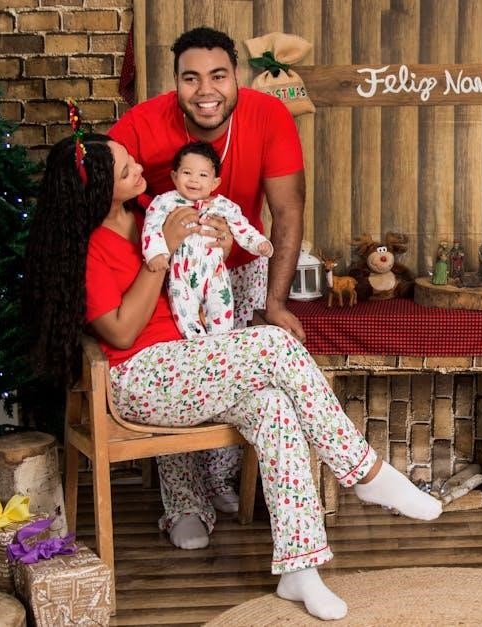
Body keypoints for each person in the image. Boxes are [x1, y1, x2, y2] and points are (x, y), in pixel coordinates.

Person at [24, 134, 443, 621]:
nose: (138, 168)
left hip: (191, 361)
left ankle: (300, 568)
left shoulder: (151, 212)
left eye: (131, 160)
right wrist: (162, 255)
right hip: (141, 379)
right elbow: (120, 331)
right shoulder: (90, 247)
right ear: (97, 190)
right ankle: (365, 472)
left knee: (275, 408)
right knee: (274, 343)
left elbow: (196, 275)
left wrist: (215, 248)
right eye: (125, 170)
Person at [108, 26, 307, 546]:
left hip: (242, 269)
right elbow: (95, 181)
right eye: (190, 78)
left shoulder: (269, 115)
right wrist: (154, 239)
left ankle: (222, 482)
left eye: (218, 75)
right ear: (175, 81)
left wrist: (275, 302)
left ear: (236, 75)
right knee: (181, 375)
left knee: (237, 382)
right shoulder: (143, 122)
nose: (205, 90)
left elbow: (287, 211)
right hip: (171, 272)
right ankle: (184, 503)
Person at [143, 140, 273, 338]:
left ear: (215, 183)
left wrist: (258, 242)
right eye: (187, 173)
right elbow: (151, 226)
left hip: (215, 274)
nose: (194, 180)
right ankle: (198, 347)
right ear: (174, 176)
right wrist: (155, 253)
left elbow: (241, 227)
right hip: (181, 276)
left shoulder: (223, 206)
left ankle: (220, 346)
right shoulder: (165, 202)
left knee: (222, 314)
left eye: (203, 175)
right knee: (186, 318)